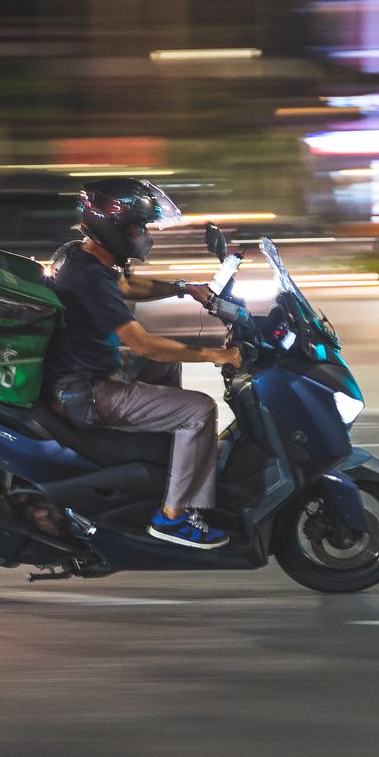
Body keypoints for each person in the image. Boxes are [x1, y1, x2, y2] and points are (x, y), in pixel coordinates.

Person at [42, 179, 243, 549]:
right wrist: (219, 355)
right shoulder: (87, 275)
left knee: (167, 372)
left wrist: (183, 286)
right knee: (199, 410)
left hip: (75, 375)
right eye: (137, 228)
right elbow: (144, 344)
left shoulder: (81, 256)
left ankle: (164, 465)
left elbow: (127, 288)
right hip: (85, 391)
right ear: (112, 228)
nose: (143, 236)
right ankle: (173, 517)